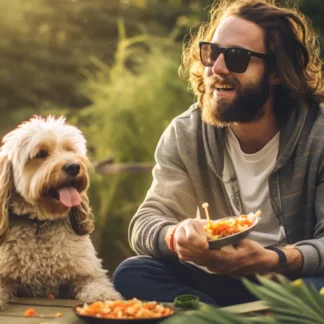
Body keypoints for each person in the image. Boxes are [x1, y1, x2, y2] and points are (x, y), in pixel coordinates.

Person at [113, 0, 324, 306]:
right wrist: (176, 236)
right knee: (133, 272)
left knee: (317, 290)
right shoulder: (187, 133)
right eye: (212, 53)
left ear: (277, 71)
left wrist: (273, 259)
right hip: (221, 284)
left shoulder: (318, 136)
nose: (217, 68)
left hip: (294, 282)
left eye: (237, 57)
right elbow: (146, 222)